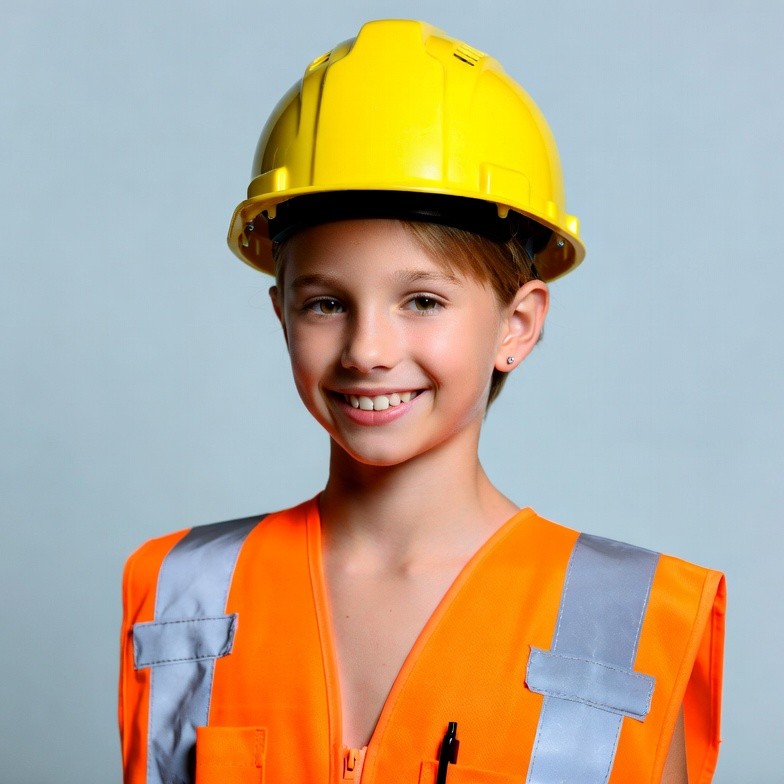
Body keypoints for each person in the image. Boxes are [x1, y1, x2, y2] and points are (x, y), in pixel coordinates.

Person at [119, 19, 725, 784]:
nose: (368, 349)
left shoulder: (632, 622)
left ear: (517, 325)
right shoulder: (181, 596)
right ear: (281, 314)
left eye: (423, 301)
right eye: (326, 304)